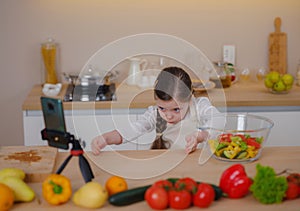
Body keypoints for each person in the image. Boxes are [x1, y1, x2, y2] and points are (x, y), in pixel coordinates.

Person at [91, 66, 219, 155]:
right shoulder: (154, 114)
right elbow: (132, 130)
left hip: (195, 163)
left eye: (176, 109)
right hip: (167, 162)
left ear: (190, 97)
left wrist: (201, 136)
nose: (168, 116)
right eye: (162, 108)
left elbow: (218, 121)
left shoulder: (199, 106)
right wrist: (106, 138)